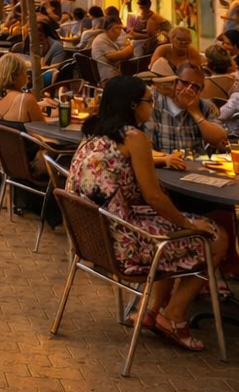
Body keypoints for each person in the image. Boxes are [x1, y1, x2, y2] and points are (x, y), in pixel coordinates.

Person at [67, 75, 228, 351]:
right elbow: (153, 196)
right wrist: (189, 223)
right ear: (132, 105)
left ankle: (152, 310)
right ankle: (174, 315)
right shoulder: (134, 137)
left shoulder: (92, 133)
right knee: (216, 236)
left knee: (175, 226)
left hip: (92, 239)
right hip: (124, 247)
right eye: (149, 101)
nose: (153, 106)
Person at [142, 63, 228, 154]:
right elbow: (146, 146)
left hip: (196, 164)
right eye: (184, 83)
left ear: (200, 92)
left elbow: (221, 141)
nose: (188, 89)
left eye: (195, 87)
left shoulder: (206, 106)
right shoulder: (155, 102)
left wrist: (196, 113)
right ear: (175, 82)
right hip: (164, 164)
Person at [0, 53, 43, 125]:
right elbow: (41, 127)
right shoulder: (25, 99)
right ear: (18, 75)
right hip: (24, 136)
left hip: (0, 136)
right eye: (25, 71)